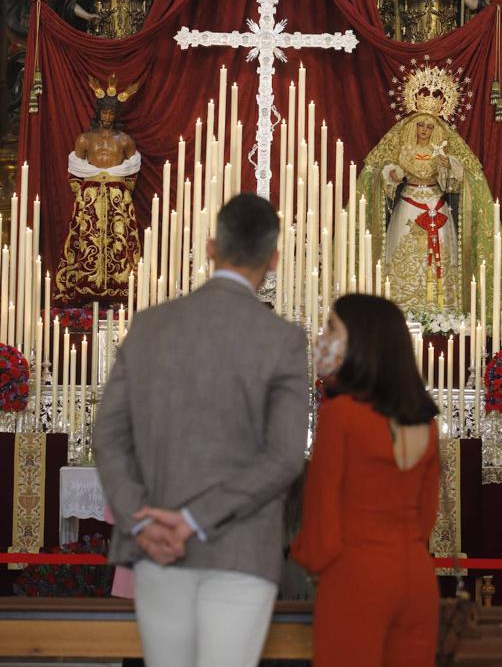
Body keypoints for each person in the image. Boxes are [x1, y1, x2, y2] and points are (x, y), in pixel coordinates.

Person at [93, 193, 309, 667]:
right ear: (272, 260)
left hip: (155, 546)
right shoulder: (283, 341)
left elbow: (107, 435)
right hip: (241, 550)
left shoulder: (149, 325)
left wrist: (143, 519)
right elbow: (286, 457)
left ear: (212, 248)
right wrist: (193, 521)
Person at [292, 294, 440, 667]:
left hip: (357, 575)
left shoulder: (341, 414)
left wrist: (314, 565)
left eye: (331, 328)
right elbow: (426, 515)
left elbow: (321, 508)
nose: (322, 337)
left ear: (360, 342)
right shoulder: (425, 421)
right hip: (418, 577)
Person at [357, 108, 494, 314]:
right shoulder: (405, 149)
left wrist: (449, 166)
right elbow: (388, 173)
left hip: (435, 202)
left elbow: (455, 183)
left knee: (441, 250)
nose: (424, 130)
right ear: (413, 127)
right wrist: (393, 175)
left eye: (429, 127)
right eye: (421, 125)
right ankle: (399, 305)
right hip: (408, 204)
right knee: (405, 250)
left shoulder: (440, 152)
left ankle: (442, 308)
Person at [54, 74, 141, 304]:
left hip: (116, 197)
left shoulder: (125, 141)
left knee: (119, 242)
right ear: (98, 112)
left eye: (112, 113)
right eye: (104, 112)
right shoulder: (84, 140)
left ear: (116, 115)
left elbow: (131, 174)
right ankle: (87, 288)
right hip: (90, 197)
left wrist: (119, 192)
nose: (107, 117)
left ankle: (119, 289)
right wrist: (87, 194)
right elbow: (74, 174)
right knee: (87, 241)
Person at [0, 0, 100, 132]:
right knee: (24, 71)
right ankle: (22, 119)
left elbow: (70, 4)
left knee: (56, 72)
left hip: (53, 32)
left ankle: (53, 118)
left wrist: (88, 15)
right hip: (28, 33)